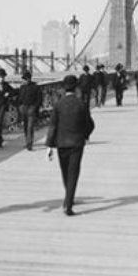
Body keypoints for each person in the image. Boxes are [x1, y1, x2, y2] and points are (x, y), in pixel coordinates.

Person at [46, 74, 95, 216]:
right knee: (74, 172)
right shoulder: (81, 104)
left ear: (63, 88)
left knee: (65, 171)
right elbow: (90, 125)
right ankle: (68, 203)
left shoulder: (58, 105)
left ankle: (68, 198)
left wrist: (49, 146)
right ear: (76, 87)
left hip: (61, 143)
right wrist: (85, 135)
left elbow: (53, 126)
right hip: (77, 143)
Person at [15, 69, 43, 150]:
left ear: (28, 79)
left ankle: (29, 144)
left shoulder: (36, 87)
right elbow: (19, 98)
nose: (23, 81)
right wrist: (19, 106)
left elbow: (39, 99)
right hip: (23, 108)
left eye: (24, 79)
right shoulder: (22, 87)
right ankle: (28, 141)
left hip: (31, 108)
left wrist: (34, 107)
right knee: (26, 126)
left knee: (30, 127)